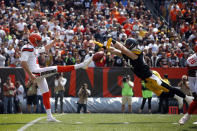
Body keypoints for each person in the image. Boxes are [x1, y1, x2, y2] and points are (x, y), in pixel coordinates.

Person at [20, 33, 93, 122]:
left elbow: (45, 48)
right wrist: (31, 75)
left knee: (46, 93)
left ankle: (49, 117)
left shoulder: (32, 48)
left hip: (37, 72)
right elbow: (23, 63)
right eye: (38, 41)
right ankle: (81, 65)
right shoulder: (26, 48)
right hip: (35, 72)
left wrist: (53, 42)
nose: (39, 43)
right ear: (33, 40)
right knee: (56, 68)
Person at [107, 38, 192, 110]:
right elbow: (114, 50)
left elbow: (122, 49)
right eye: (126, 44)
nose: (126, 46)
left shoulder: (136, 53)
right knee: (161, 94)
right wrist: (104, 46)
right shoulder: (126, 54)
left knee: (169, 88)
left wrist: (113, 40)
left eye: (128, 44)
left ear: (133, 45)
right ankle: (177, 97)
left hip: (151, 76)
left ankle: (187, 98)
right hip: (146, 80)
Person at [179, 48, 197, 125]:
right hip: (193, 80)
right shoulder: (191, 59)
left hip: (193, 79)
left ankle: (186, 117)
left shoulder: (190, 59)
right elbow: (190, 74)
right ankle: (186, 117)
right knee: (196, 99)